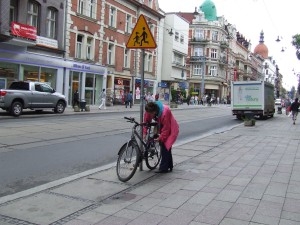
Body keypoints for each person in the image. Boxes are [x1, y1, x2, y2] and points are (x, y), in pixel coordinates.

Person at [143, 101, 179, 173]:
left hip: (171, 127)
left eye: (151, 114)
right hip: (161, 124)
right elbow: (146, 122)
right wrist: (144, 132)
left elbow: (166, 129)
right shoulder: (148, 110)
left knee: (166, 145)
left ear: (155, 111)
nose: (150, 115)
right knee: (165, 146)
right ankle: (169, 165)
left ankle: (164, 168)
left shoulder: (165, 112)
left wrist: (160, 137)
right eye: (149, 114)